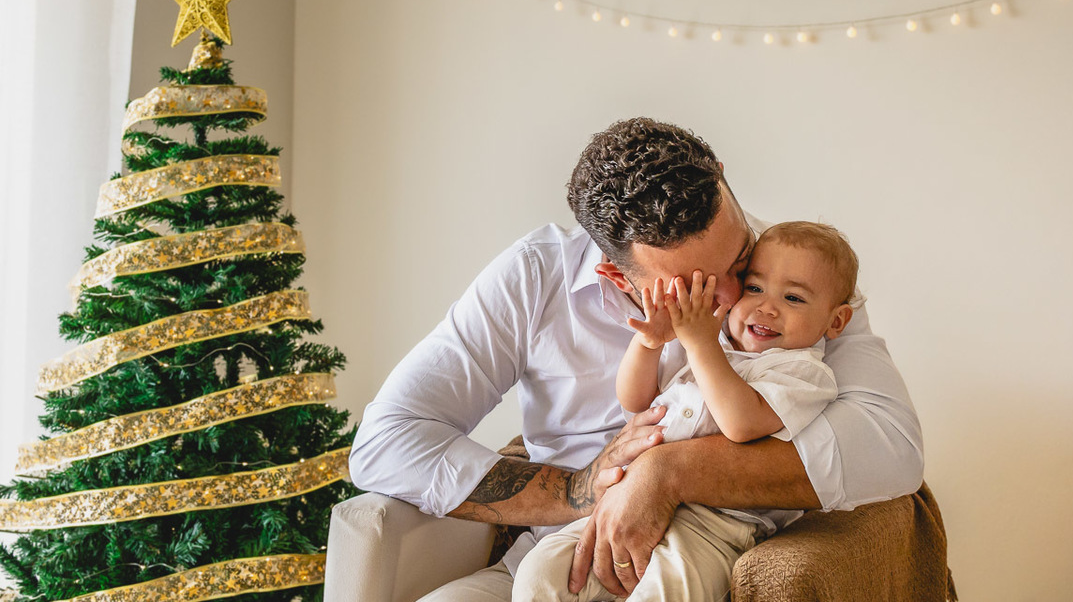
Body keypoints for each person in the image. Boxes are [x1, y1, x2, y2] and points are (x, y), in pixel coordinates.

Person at [348, 118, 923, 600]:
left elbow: (892, 449)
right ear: (615, 275)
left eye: (738, 262)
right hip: (569, 545)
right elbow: (386, 441)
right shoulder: (535, 277)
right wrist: (580, 489)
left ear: (724, 182)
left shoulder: (794, 273)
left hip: (709, 542)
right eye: (692, 287)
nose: (731, 299)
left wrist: (666, 472)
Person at [512, 221, 859, 601]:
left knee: (668, 592)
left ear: (836, 321)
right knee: (541, 572)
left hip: (714, 526)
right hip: (626, 499)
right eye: (754, 288)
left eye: (793, 298)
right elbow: (635, 401)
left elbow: (741, 423)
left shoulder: (803, 372)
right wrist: (649, 343)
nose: (766, 307)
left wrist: (700, 345)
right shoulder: (712, 342)